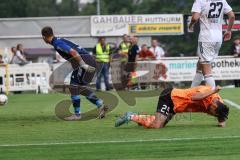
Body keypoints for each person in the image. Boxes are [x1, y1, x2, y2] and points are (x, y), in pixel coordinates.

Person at [41, 26, 109, 120]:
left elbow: (73, 52)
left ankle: (77, 114)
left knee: (73, 86)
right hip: (89, 59)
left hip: (84, 61)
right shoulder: (59, 40)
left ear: (44, 37)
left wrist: (83, 64)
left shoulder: (57, 43)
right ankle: (100, 104)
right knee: (81, 88)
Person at [115, 85, 229, 128]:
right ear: (214, 105)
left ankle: (140, 119)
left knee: (157, 123)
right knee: (157, 125)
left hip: (175, 108)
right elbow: (195, 97)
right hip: (169, 97)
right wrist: (213, 90)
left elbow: (222, 119)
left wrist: (221, 124)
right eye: (213, 113)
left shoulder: (218, 106)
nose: (211, 114)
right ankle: (130, 116)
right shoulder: (207, 91)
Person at [190, 0, 235, 90]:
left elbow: (195, 18)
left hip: (206, 38)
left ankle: (213, 97)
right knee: (200, 64)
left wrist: (191, 24)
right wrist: (229, 30)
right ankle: (191, 91)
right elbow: (232, 16)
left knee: (206, 68)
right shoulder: (222, 0)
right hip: (218, 37)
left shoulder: (199, 1)